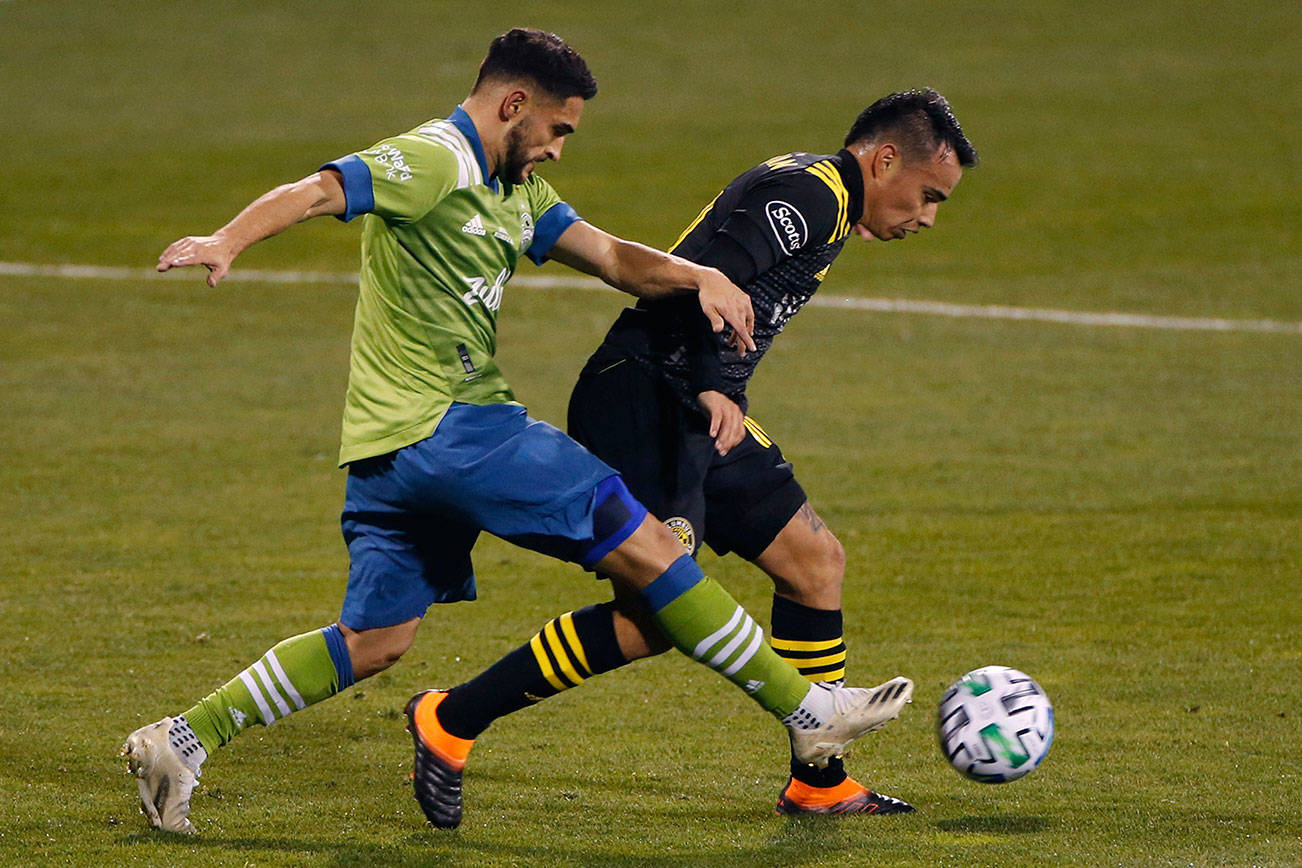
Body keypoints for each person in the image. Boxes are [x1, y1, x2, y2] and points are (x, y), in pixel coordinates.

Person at [121, 28, 913, 835]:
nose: (559, 150)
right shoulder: (437, 158)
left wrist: (699, 274)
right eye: (559, 130)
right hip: (458, 426)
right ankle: (807, 708)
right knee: (650, 547)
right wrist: (227, 240)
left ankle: (184, 738)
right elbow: (323, 188)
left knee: (375, 641)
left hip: (388, 451)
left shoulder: (513, 191)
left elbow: (610, 257)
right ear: (514, 105)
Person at [414, 89, 976, 821]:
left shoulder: (832, 203)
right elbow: (707, 273)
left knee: (815, 564)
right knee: (657, 615)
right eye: (928, 195)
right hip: (646, 398)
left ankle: (819, 778)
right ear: (885, 158)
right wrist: (715, 386)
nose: (927, 217)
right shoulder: (806, 196)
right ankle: (451, 721)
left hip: (702, 409)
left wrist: (719, 393)